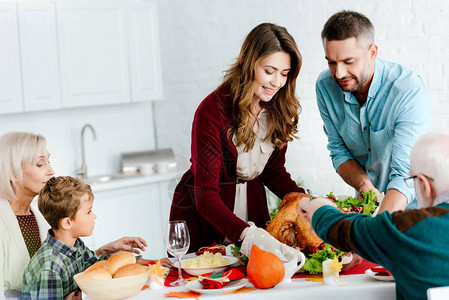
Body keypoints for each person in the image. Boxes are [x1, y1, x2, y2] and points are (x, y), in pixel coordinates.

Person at [170, 23, 305, 254]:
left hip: (252, 209)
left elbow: (274, 174)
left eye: (284, 74)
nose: (277, 82)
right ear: (246, 61)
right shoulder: (212, 111)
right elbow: (206, 196)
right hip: (207, 217)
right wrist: (248, 235)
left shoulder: (278, 110)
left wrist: (309, 205)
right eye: (269, 71)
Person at [298, 132, 449, 300]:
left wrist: (316, 206)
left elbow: (344, 230)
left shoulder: (413, 229)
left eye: (411, 179)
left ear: (424, 184)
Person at [0, 132, 152, 298]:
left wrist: (106, 252)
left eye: (48, 162)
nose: (51, 171)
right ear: (13, 173)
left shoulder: (35, 217)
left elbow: (63, 260)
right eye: (39, 164)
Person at [316, 10, 432, 213]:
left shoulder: (407, 90)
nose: (339, 73)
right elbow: (338, 151)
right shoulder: (325, 86)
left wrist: (377, 230)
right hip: (371, 212)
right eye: (332, 62)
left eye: (348, 62)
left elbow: (407, 174)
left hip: (416, 214)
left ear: (372, 53)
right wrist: (363, 185)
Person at [21, 176, 106, 299]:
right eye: (89, 212)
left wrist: (139, 262)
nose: (94, 216)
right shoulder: (50, 267)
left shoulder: (76, 245)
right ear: (67, 223)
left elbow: (99, 265)